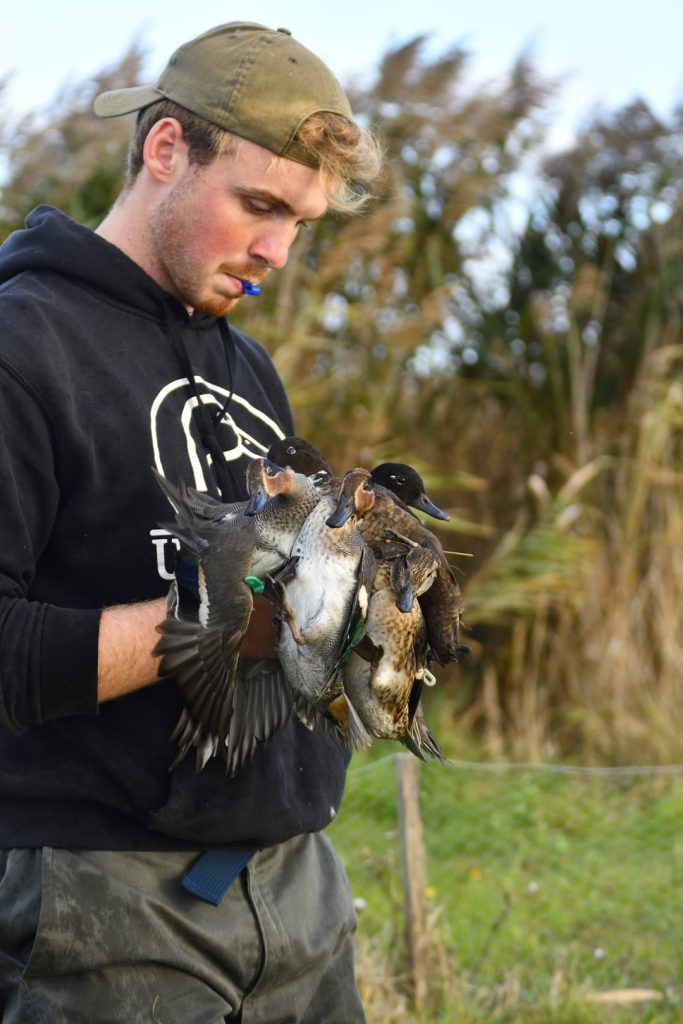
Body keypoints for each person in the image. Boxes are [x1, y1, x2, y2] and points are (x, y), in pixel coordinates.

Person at [0, 22, 382, 1023]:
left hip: (296, 889)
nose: (278, 251)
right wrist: (216, 622)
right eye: (258, 206)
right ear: (164, 147)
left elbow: (286, 605)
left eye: (301, 222)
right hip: (104, 908)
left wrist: (351, 604)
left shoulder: (245, 365)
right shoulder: (21, 344)